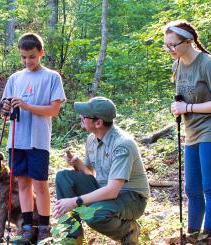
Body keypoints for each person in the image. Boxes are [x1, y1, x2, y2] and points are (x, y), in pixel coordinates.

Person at [53, 97, 150, 245]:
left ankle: (128, 230)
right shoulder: (92, 139)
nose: (81, 117)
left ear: (98, 123)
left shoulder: (122, 144)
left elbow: (112, 191)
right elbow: (90, 174)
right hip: (106, 190)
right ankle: (73, 239)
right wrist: (78, 164)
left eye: (84, 116)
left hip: (131, 198)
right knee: (63, 177)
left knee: (94, 215)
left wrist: (75, 201)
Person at [1, 33, 66, 243]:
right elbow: (6, 109)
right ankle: (27, 226)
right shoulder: (14, 78)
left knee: (40, 184)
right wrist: (6, 108)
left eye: (31, 56)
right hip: (16, 139)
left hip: (38, 140)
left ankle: (45, 227)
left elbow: (54, 110)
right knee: (23, 183)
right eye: (23, 57)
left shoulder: (51, 77)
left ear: (41, 53)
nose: (27, 61)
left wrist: (27, 106)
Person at [165, 20, 211, 244]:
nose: (169, 50)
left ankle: (209, 234)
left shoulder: (209, 64)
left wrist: (188, 108)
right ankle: (192, 234)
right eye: (166, 45)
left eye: (173, 45)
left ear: (188, 41)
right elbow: (183, 97)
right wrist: (177, 107)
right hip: (191, 131)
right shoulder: (177, 65)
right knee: (192, 188)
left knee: (210, 187)